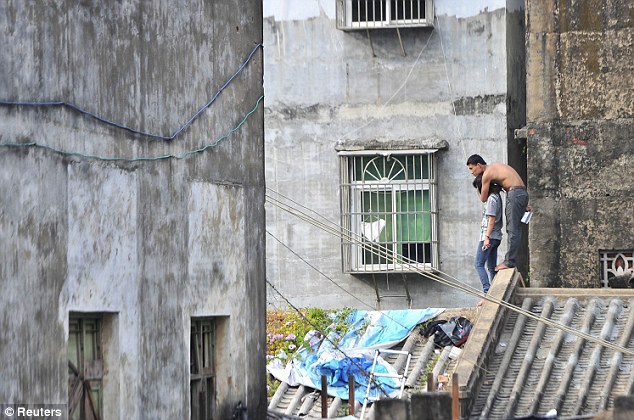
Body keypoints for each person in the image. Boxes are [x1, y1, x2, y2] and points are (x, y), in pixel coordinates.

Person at [466, 154, 529, 271]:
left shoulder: (487, 174)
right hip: (521, 192)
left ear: (479, 165)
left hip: (515, 194)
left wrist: (477, 189)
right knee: (514, 229)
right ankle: (509, 260)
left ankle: (509, 262)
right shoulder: (496, 166)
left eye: (471, 168)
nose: (471, 172)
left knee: (513, 229)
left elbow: (484, 198)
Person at [472, 175, 503, 304]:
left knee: (479, 264)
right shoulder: (497, 197)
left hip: (489, 237)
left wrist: (486, 238)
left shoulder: (491, 199)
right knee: (491, 267)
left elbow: (491, 220)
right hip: (496, 237)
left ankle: (487, 293)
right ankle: (495, 293)